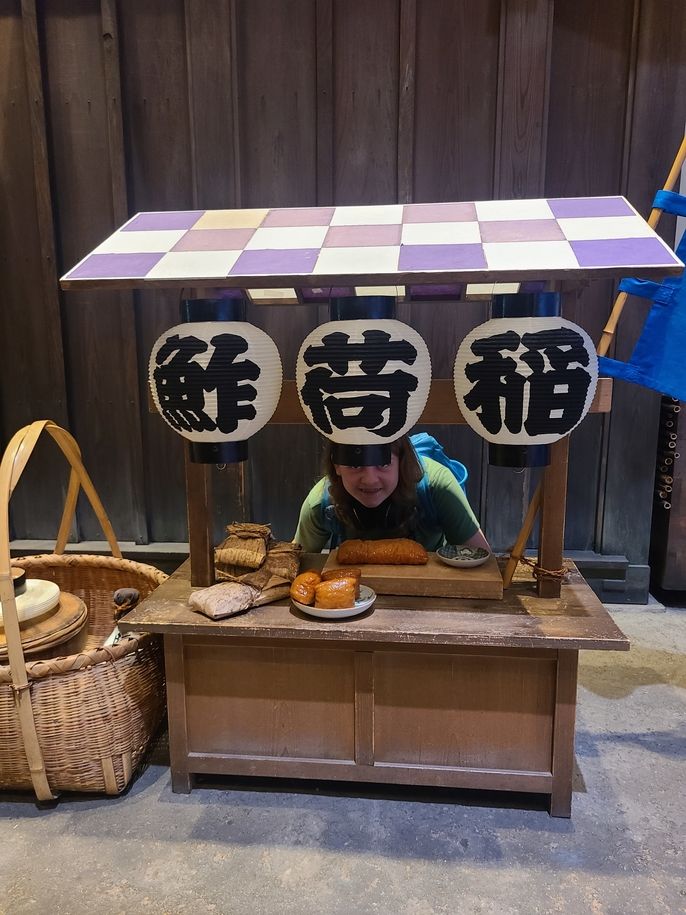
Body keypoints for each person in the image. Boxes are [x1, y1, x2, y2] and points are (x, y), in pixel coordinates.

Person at [294, 434, 490, 553]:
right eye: (355, 465)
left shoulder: (437, 486)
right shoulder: (321, 503)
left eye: (384, 464)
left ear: (402, 461)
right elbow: (295, 564)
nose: (370, 479)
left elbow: (481, 560)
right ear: (336, 466)